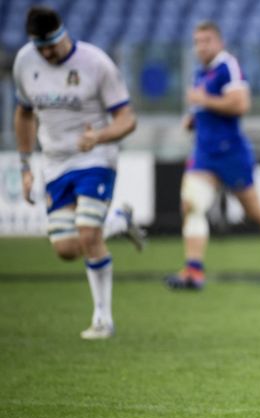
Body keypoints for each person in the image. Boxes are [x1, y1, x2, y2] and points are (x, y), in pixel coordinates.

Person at [14, 6, 143, 340]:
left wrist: (98, 136)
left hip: (96, 157)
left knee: (88, 235)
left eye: (51, 46)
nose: (45, 53)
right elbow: (25, 114)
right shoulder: (25, 63)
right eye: (39, 47)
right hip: (54, 163)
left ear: (62, 34)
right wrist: (26, 166)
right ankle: (117, 220)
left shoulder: (96, 63)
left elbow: (128, 119)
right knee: (67, 249)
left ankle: (103, 318)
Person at [165, 21, 260, 291]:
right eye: (197, 41)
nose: (201, 46)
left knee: (254, 211)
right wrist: (193, 117)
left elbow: (241, 104)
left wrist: (203, 101)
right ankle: (194, 271)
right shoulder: (199, 74)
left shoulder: (227, 66)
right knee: (191, 204)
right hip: (204, 153)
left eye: (206, 40)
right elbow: (205, 106)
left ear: (219, 42)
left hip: (231, 153)